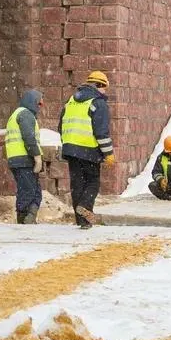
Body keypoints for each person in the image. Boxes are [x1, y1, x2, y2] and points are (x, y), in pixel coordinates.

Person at [59, 70, 114, 229]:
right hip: (89, 150)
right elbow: (101, 132)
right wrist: (108, 153)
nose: (105, 92)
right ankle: (84, 206)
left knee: (77, 184)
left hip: (71, 149)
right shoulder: (98, 103)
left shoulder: (71, 101)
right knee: (92, 182)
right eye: (104, 88)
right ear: (99, 85)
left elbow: (61, 126)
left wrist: (68, 144)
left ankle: (82, 221)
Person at [5, 89, 44, 224]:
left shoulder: (17, 114)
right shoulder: (25, 114)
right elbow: (29, 137)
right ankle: (24, 221)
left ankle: (29, 218)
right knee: (29, 191)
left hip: (16, 159)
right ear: (33, 102)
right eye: (39, 103)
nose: (40, 107)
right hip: (24, 159)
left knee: (34, 191)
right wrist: (37, 156)